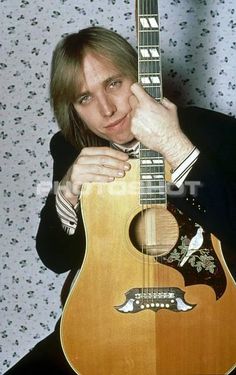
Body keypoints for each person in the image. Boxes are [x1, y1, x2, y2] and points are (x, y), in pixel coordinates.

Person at [5, 26, 236, 375]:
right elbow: (54, 257)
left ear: (141, 75)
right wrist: (67, 193)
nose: (107, 109)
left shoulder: (214, 131)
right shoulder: (70, 148)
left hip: (212, 322)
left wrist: (177, 147)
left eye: (113, 83)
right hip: (103, 325)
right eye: (84, 98)